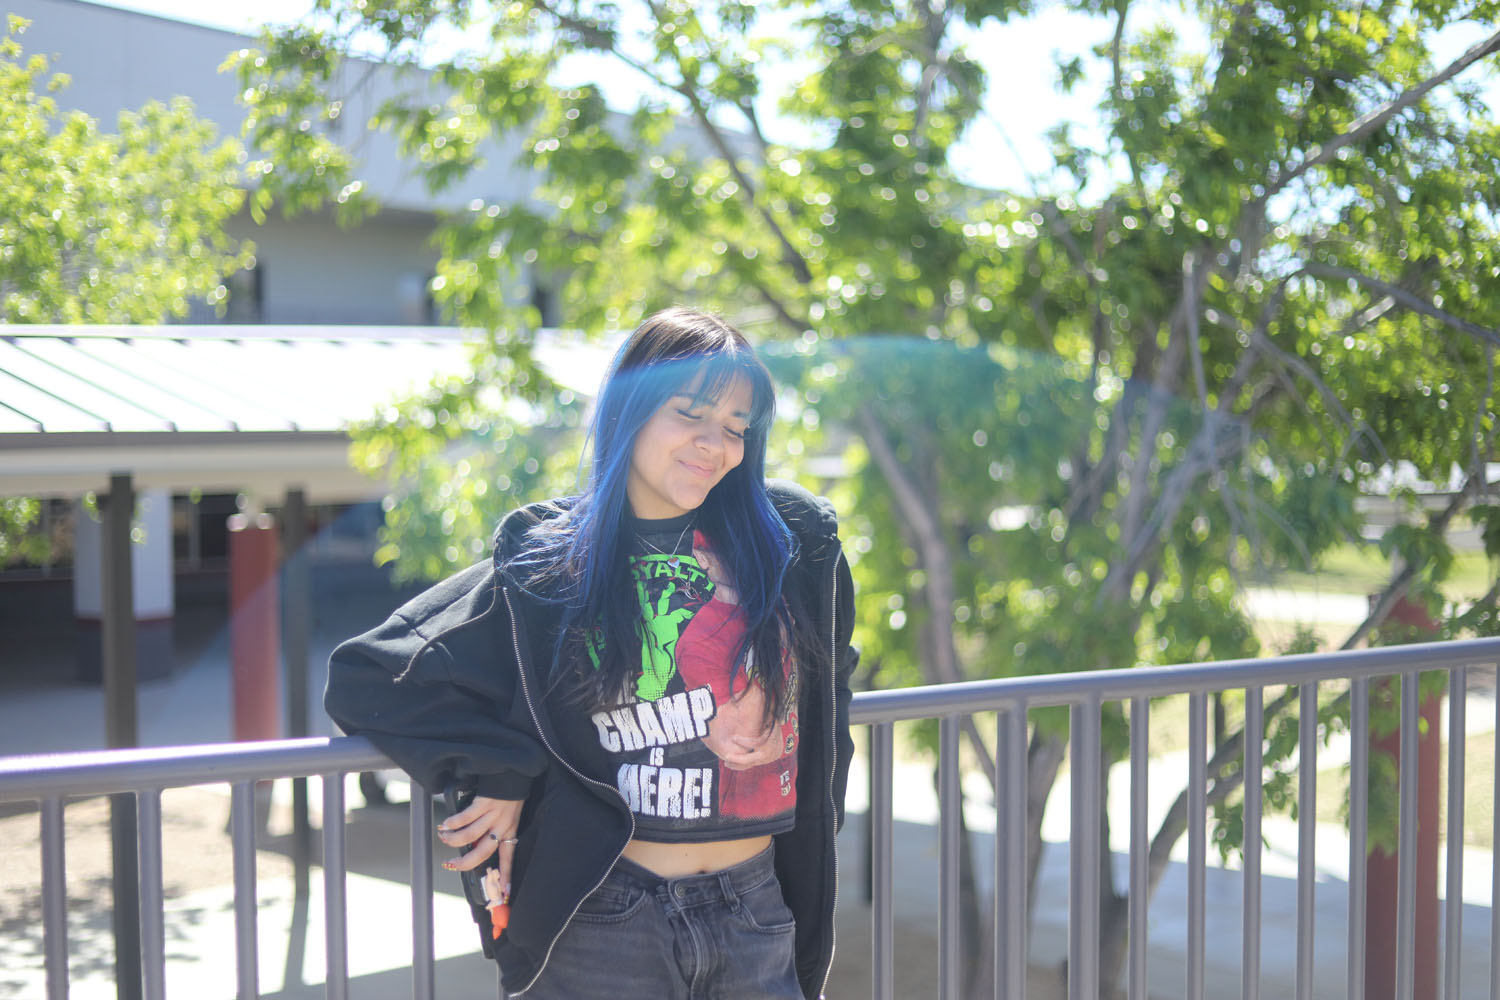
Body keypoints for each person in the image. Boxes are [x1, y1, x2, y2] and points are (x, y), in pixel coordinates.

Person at [325, 307, 858, 999]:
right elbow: (370, 675)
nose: (715, 444)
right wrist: (501, 768)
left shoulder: (793, 544)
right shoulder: (553, 561)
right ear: (628, 409)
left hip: (756, 912)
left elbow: (830, 699)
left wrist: (825, 818)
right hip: (607, 919)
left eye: (735, 426)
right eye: (690, 413)